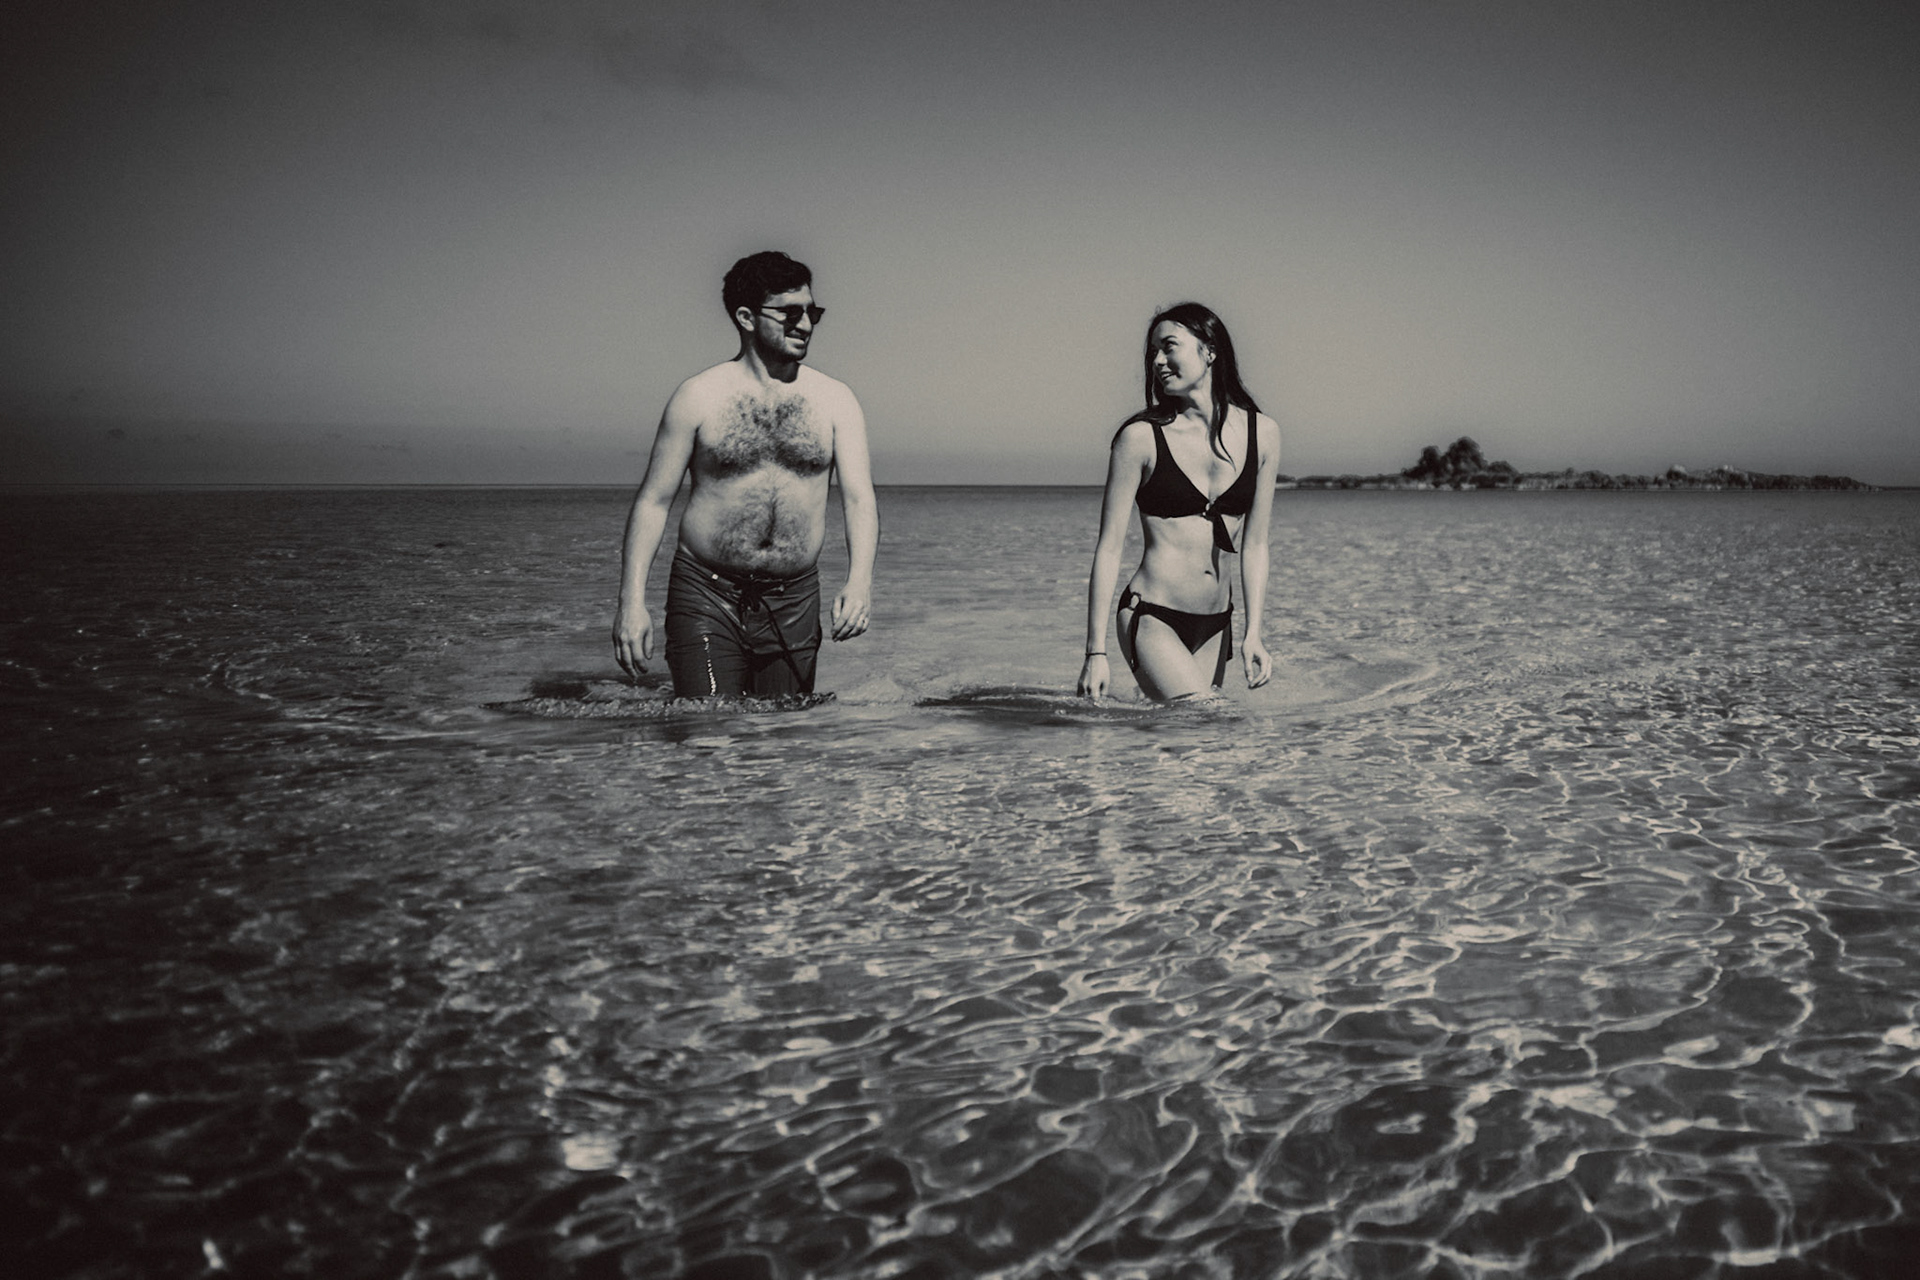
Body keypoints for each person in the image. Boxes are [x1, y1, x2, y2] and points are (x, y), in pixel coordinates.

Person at [613, 251, 877, 698]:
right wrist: (631, 603)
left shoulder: (836, 400)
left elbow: (859, 499)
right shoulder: (698, 396)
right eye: (790, 313)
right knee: (710, 725)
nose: (805, 325)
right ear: (746, 317)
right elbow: (654, 502)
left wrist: (860, 582)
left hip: (794, 598)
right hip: (705, 591)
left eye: (812, 313)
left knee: (780, 731)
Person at [1079, 302, 1280, 701]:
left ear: (1210, 350)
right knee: (1207, 717)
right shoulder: (1140, 438)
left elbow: (1255, 545)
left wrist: (1254, 633)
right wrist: (1095, 652)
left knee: (1190, 738)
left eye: (1168, 347)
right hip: (1152, 614)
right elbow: (1109, 547)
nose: (1157, 361)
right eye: (1152, 352)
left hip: (1216, 624)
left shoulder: (1264, 434)